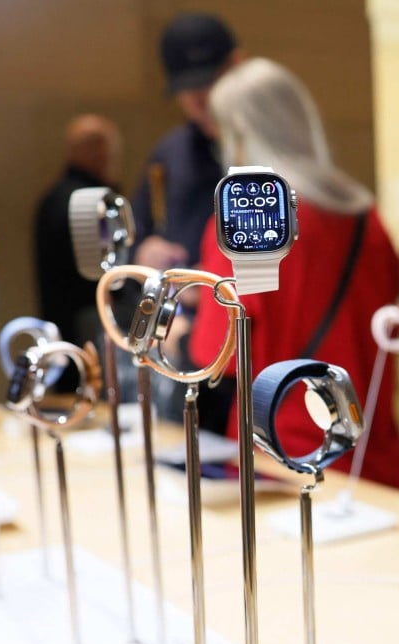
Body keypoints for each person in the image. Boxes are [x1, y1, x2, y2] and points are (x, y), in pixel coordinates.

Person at [187, 57, 399, 490]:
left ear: (243, 135)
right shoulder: (365, 215)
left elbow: (214, 354)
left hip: (282, 454)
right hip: (370, 451)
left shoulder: (248, 220)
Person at [127, 12, 244, 426]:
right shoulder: (171, 152)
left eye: (208, 82)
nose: (198, 98)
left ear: (236, 67)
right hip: (188, 344)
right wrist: (145, 250)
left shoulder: (266, 152)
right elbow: (135, 235)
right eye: (186, 88)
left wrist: (213, 283)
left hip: (249, 342)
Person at [34, 113, 122, 377]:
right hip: (93, 329)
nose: (111, 160)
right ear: (97, 150)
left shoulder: (53, 198)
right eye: (110, 151)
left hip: (65, 328)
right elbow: (107, 276)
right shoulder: (92, 202)